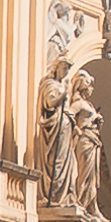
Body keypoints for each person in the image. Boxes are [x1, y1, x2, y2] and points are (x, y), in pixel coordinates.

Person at [36, 59, 76, 207]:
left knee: (67, 164)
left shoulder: (62, 85)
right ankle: (52, 196)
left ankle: (61, 196)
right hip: (54, 128)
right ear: (56, 68)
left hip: (65, 128)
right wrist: (64, 94)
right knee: (55, 162)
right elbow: (50, 103)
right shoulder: (49, 84)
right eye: (64, 68)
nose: (65, 72)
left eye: (68, 69)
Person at [69, 71, 104, 221]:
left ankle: (91, 204)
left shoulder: (88, 104)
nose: (91, 89)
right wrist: (77, 129)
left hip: (93, 141)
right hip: (84, 140)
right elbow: (69, 114)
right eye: (88, 85)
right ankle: (80, 201)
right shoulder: (78, 103)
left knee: (92, 176)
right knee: (84, 173)